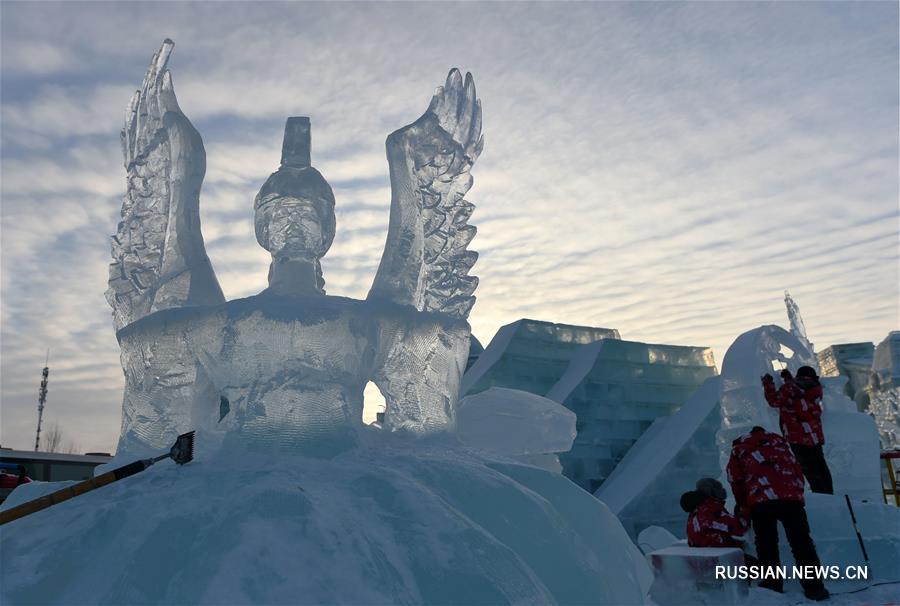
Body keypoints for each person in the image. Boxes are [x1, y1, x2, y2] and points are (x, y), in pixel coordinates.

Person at [727, 426, 829, 601]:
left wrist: (743, 504)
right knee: (802, 543)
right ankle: (815, 588)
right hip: (790, 498)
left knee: (767, 544)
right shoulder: (781, 445)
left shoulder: (740, 449)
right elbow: (798, 471)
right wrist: (796, 494)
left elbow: (735, 479)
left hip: (761, 499)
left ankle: (773, 584)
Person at [762, 366, 834, 494]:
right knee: (821, 467)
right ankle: (829, 493)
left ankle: (821, 496)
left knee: (809, 470)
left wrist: (768, 383)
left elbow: (774, 400)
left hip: (798, 437)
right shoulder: (815, 389)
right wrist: (788, 379)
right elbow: (798, 393)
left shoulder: (789, 389)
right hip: (814, 436)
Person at [680, 478, 747, 549]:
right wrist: (745, 514)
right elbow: (737, 527)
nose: (721, 490)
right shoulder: (711, 508)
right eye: (717, 487)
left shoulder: (696, 510)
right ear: (710, 491)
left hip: (702, 554)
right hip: (717, 554)